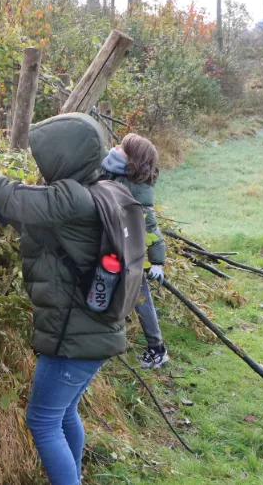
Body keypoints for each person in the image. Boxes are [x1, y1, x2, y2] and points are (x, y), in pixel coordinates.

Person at [0, 114, 125, 485]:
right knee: (63, 414)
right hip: (95, 330)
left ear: (64, 157)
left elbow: (5, 192)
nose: (39, 164)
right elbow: (56, 236)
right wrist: (16, 217)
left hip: (75, 338)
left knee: (42, 421)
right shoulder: (99, 189)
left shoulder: (72, 197)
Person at [100, 134, 170, 370]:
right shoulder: (108, 166)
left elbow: (150, 225)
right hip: (107, 244)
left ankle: (157, 349)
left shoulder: (138, 188)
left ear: (132, 159)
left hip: (129, 250)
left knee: (140, 297)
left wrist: (157, 262)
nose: (116, 147)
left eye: (122, 148)